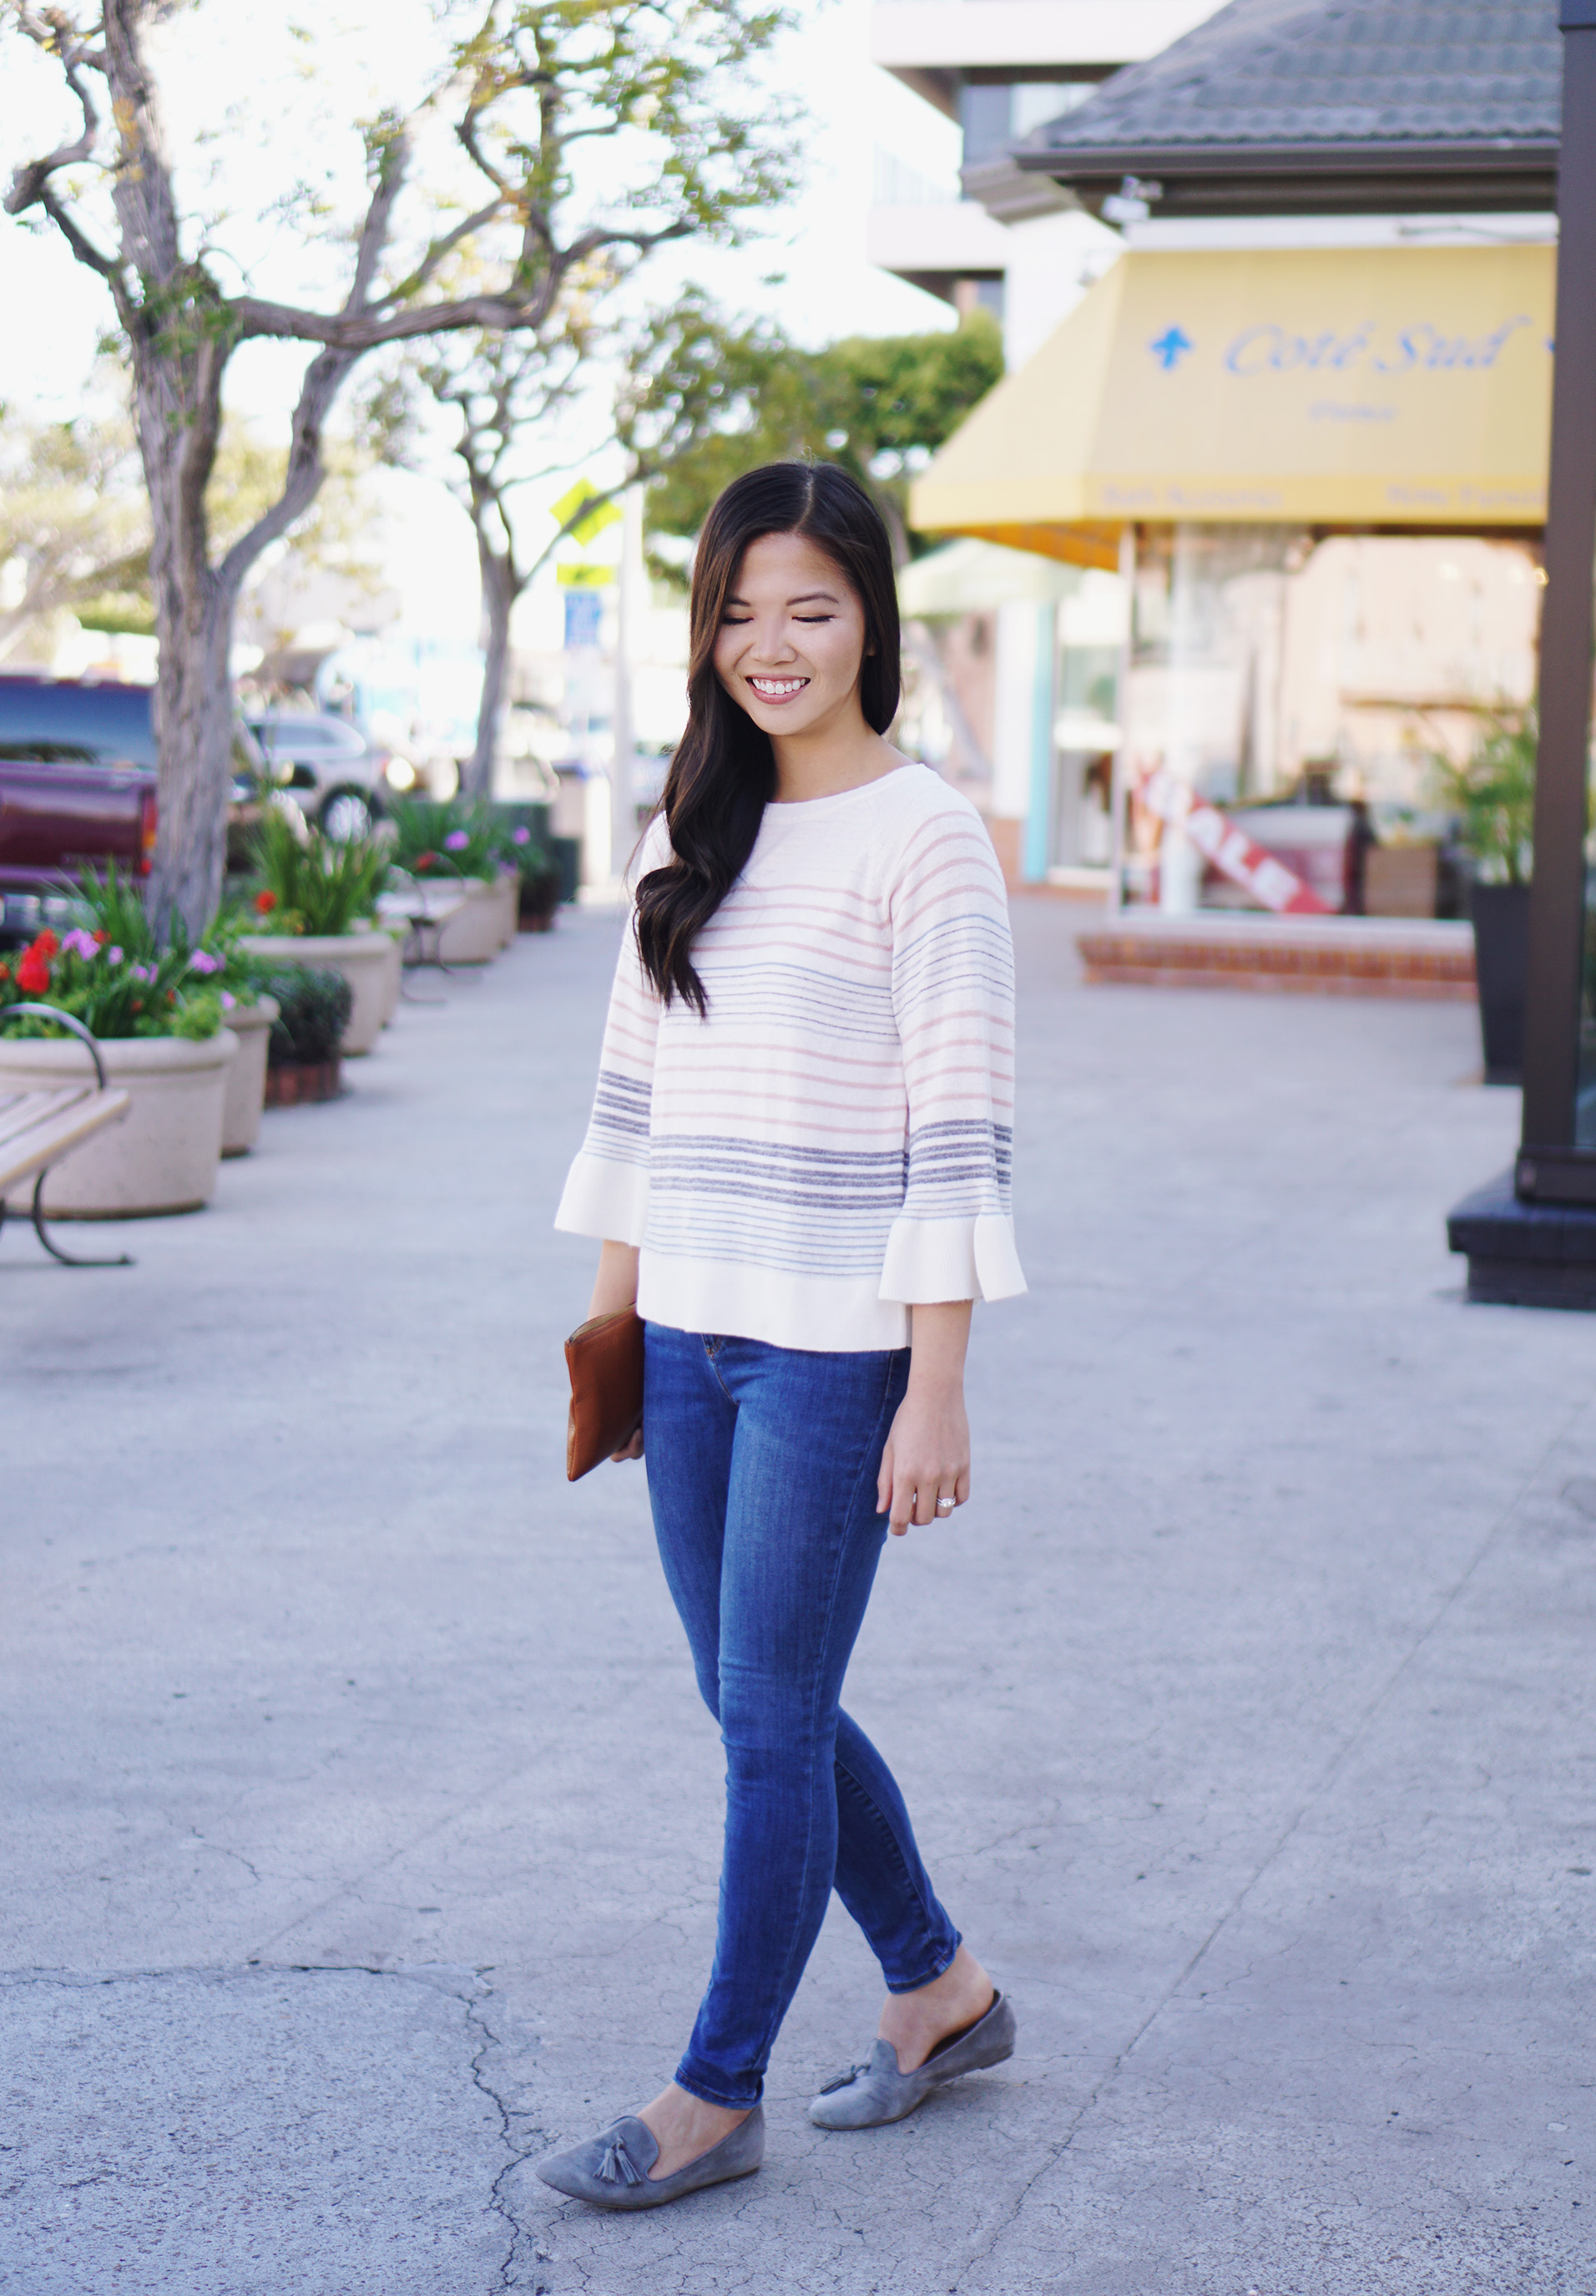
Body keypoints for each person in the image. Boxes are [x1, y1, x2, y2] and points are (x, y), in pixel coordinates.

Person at [536, 461, 1026, 2212]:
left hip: (833, 1352)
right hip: (686, 1327)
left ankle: (710, 2090)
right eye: (740, 611)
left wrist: (938, 1380)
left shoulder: (926, 835)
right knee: (758, 1702)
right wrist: (613, 1318)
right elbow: (633, 1091)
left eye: (809, 607)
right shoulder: (694, 820)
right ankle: (940, 1984)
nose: (773, 644)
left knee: (765, 1716)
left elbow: (958, 1124)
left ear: (871, 621)